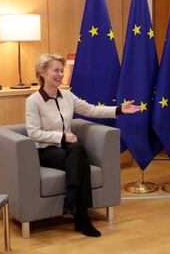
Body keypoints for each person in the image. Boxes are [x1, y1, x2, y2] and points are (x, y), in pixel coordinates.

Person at [25, 54, 141, 237]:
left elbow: (91, 109)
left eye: (61, 71)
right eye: (56, 70)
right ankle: (82, 219)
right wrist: (62, 137)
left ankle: (72, 201)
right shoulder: (33, 101)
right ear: (43, 72)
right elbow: (33, 133)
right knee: (81, 158)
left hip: (68, 149)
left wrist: (119, 109)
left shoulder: (67, 96)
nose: (60, 74)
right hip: (46, 150)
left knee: (78, 153)